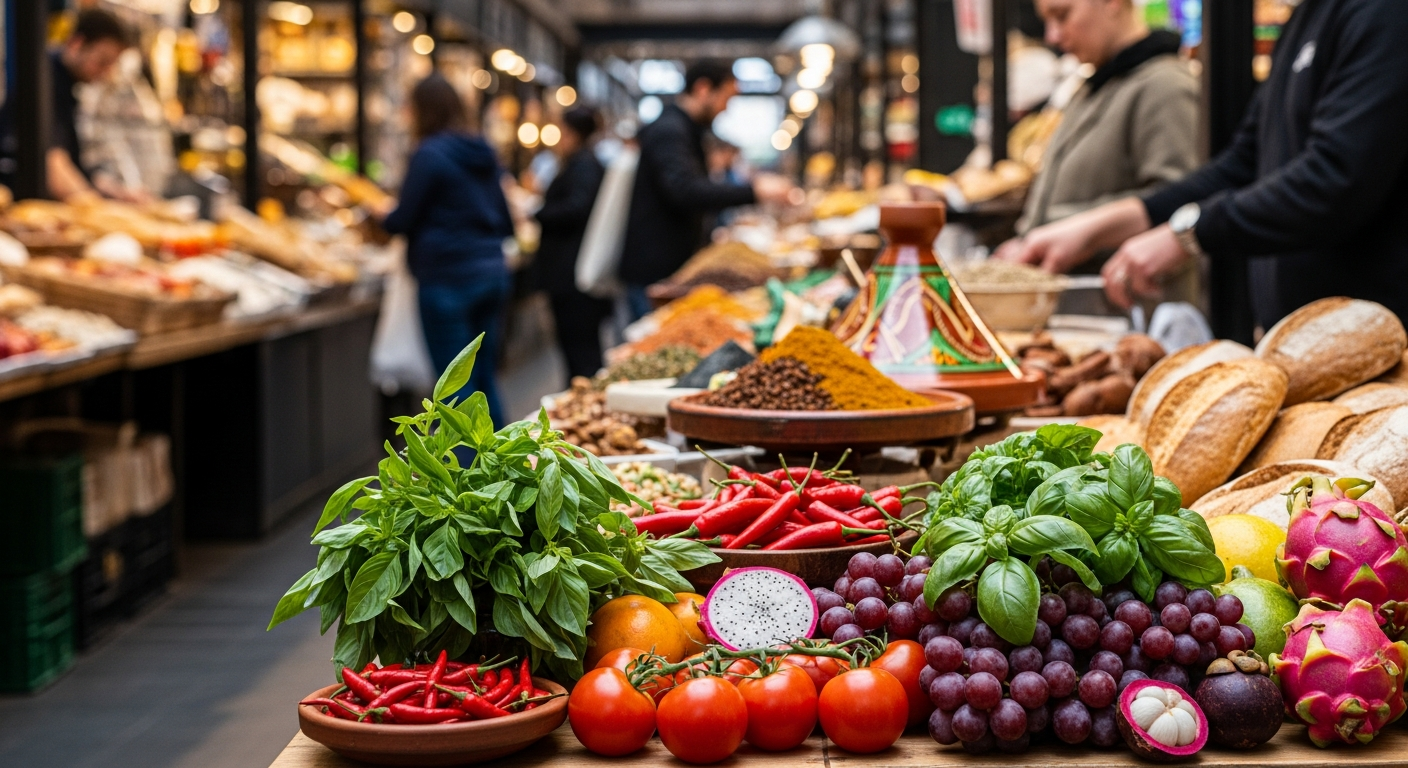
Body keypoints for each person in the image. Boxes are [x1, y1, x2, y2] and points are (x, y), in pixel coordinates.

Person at [1003, 0, 1408, 328]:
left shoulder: (1382, 14)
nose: (1054, 36)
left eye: (1062, 15)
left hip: (1377, 343)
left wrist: (1189, 235)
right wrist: (1096, 227)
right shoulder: (1304, 17)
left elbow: (1334, 180)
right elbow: (1240, 165)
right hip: (1302, 337)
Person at [997, 0, 1198, 290]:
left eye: (1062, 15)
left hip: (1133, 309)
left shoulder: (1165, 86)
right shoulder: (1094, 85)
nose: (1052, 36)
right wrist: (1024, 241)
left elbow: (1179, 202)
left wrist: (1067, 229)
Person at [378, 74, 515, 427]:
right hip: (491, 274)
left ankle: (469, 480)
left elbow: (403, 219)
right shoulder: (482, 151)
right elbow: (505, 219)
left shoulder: (429, 154)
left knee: (455, 391)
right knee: (484, 381)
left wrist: (379, 216)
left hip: (447, 281)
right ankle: (504, 471)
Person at [617, 60, 795, 318]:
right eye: (726, 98)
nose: (726, 109)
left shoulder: (684, 130)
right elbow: (685, 190)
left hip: (671, 266)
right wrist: (755, 191)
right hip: (656, 272)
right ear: (703, 89)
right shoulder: (670, 130)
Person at [0, 8, 145, 202]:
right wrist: (101, 210)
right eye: (102, 61)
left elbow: (70, 162)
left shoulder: (66, 83)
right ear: (77, 44)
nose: (106, 72)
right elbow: (54, 166)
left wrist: (116, 193)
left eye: (112, 64)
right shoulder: (42, 78)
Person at [535, 106, 612, 382]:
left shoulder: (583, 165)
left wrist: (538, 212)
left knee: (580, 351)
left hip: (573, 273)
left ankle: (583, 407)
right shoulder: (586, 163)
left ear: (571, 133)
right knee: (580, 349)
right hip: (574, 270)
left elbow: (576, 208)